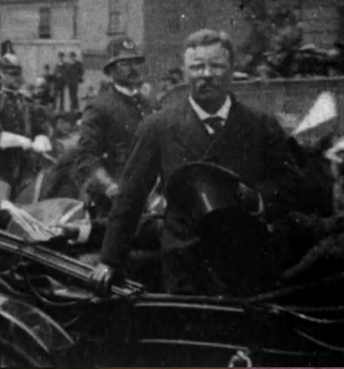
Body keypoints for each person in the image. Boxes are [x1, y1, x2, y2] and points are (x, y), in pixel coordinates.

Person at [91, 28, 307, 295]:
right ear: (185, 72)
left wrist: (259, 199)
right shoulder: (158, 127)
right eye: (197, 67)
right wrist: (109, 260)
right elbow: (130, 198)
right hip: (186, 265)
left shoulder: (261, 125)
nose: (206, 74)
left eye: (216, 66)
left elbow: (291, 183)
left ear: (231, 70)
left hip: (247, 262)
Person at [76, 35, 155, 215]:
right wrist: (110, 187)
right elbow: (86, 156)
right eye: (125, 63)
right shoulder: (99, 107)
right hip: (113, 200)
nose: (133, 68)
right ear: (110, 70)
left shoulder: (148, 105)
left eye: (135, 62)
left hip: (149, 195)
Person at [0, 54, 52, 208]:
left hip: (26, 167)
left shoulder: (27, 101)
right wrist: (17, 140)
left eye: (18, 74)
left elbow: (39, 127)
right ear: (1, 76)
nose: (16, 78)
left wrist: (41, 138)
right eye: (11, 74)